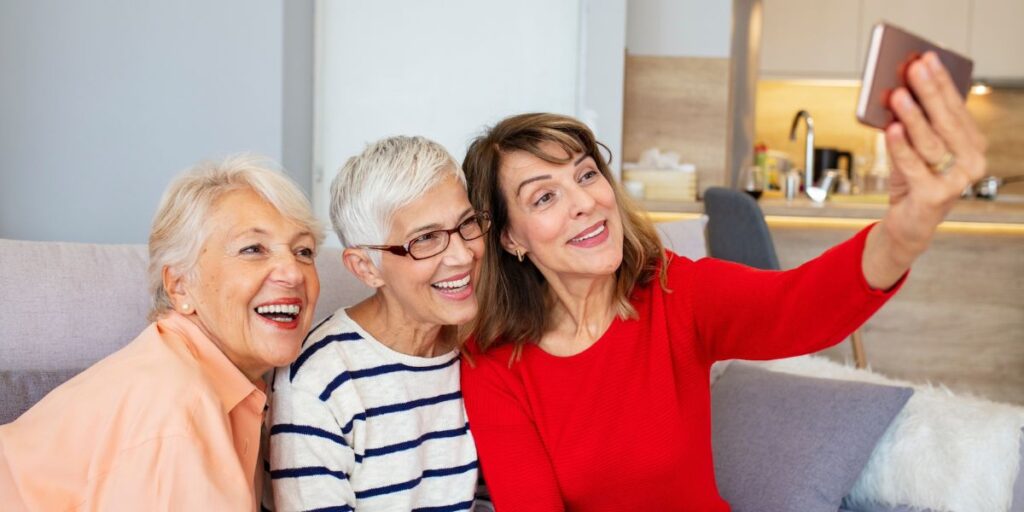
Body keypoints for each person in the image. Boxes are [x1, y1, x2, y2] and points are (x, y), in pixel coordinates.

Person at [458, 52, 986, 510]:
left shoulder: (673, 293)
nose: (584, 203)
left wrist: (904, 233)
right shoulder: (494, 363)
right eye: (544, 197)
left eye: (586, 173)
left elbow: (801, 307)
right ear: (510, 239)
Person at [0, 155, 323, 511]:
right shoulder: (179, 410)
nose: (293, 272)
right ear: (180, 286)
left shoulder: (217, 381)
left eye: (303, 251)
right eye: (253, 249)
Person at [268, 136, 486, 511]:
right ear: (366, 268)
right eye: (426, 239)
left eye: (467, 224)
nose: (463, 254)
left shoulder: (483, 347)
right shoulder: (318, 381)